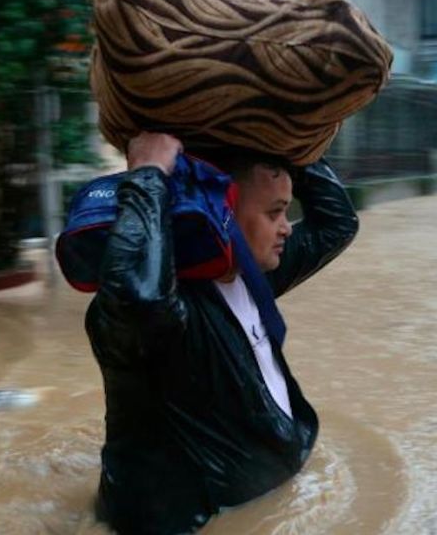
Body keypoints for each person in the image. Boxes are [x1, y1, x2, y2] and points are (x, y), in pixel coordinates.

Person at [87, 132, 359, 534]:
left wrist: (292, 141)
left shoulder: (251, 276)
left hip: (272, 506)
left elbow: (337, 223)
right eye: (275, 213)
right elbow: (137, 296)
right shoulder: (159, 317)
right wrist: (148, 175)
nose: (287, 228)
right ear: (223, 210)